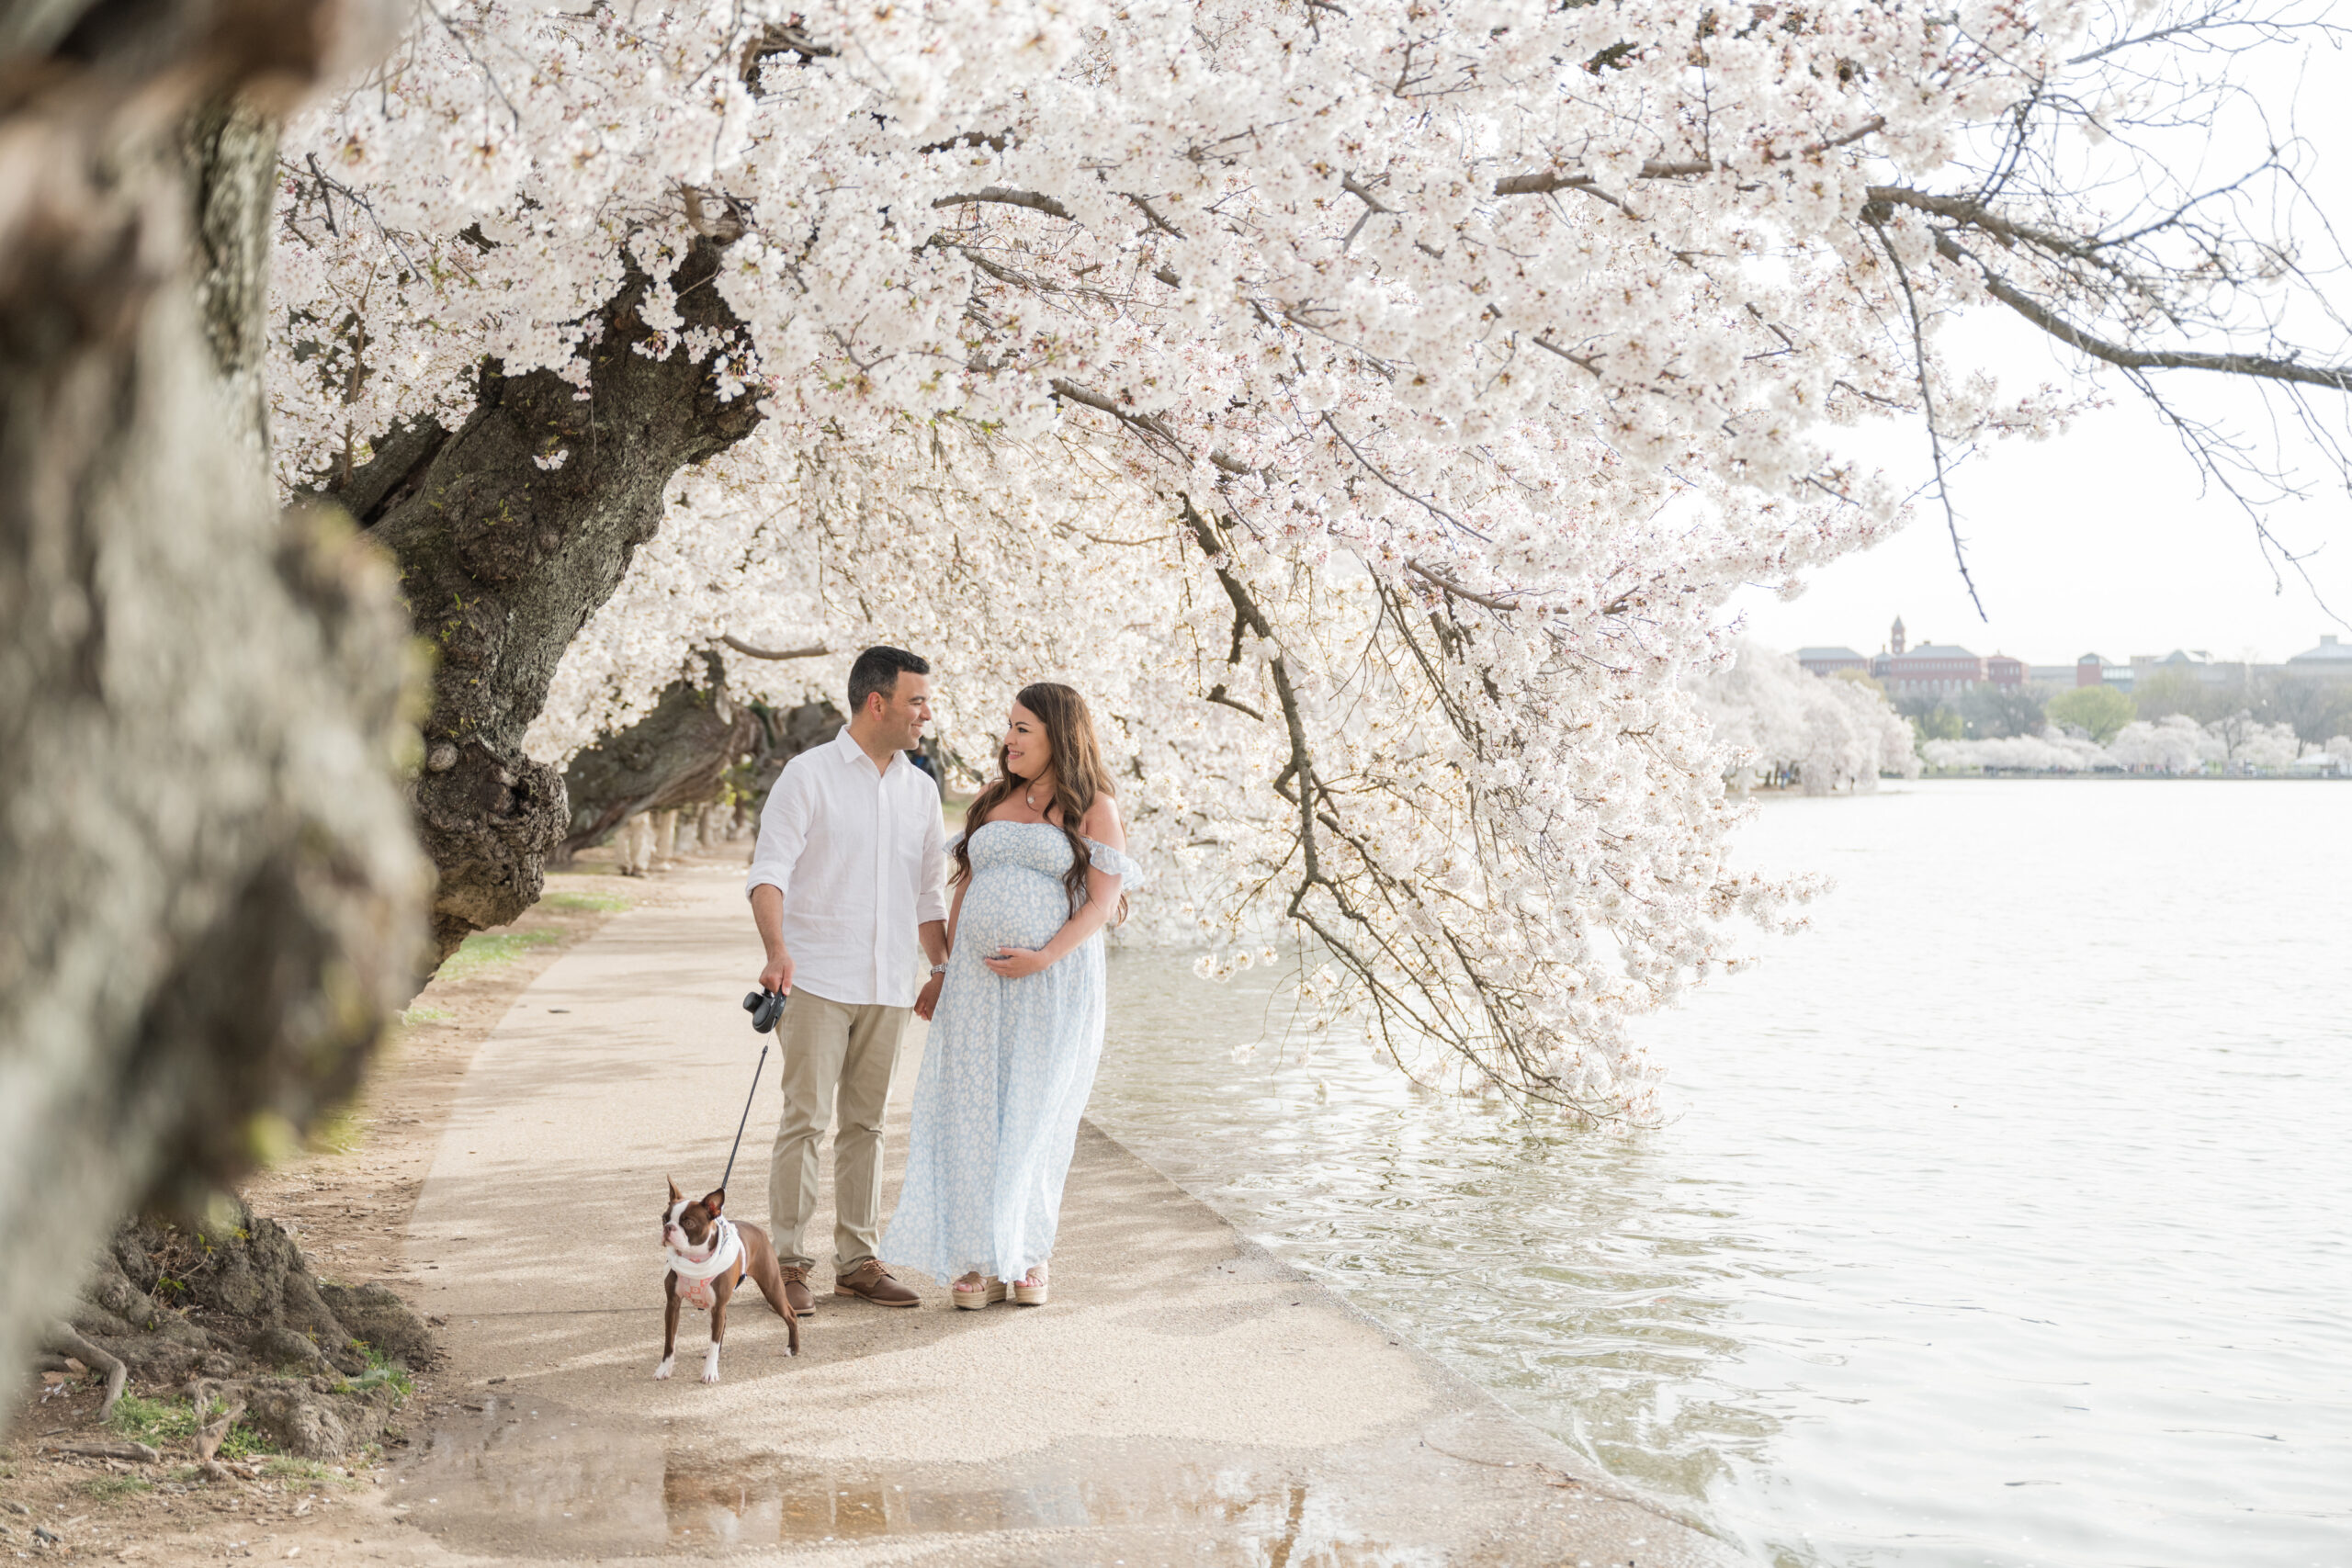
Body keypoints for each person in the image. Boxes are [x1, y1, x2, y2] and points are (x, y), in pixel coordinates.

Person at [880, 682, 1141, 1309]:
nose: (1009, 738)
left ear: (1058, 732)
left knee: (1034, 1112)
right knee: (970, 1111)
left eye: (1022, 727)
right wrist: (943, 971)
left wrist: (1044, 955)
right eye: (1009, 726)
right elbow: (967, 884)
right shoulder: (993, 799)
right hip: (973, 988)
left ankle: (1026, 1252)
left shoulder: (1093, 805)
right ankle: (973, 1255)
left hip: (1050, 986)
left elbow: (1102, 905)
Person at [747, 646, 950, 1314]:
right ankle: (789, 1263)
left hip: (889, 981)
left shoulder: (921, 789)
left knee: (867, 1124)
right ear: (877, 703)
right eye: (917, 700)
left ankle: (858, 1261)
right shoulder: (806, 776)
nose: (926, 712)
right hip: (815, 977)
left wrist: (942, 966)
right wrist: (776, 950)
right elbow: (768, 871)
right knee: (805, 1119)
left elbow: (928, 896)